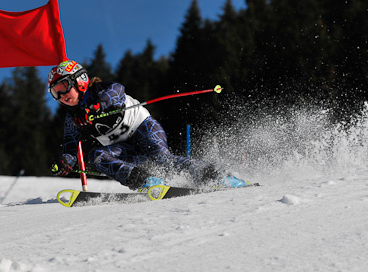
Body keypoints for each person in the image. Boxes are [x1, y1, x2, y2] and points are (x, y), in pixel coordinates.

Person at [48, 59, 245, 190]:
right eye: (55, 93)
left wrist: (96, 107)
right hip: (123, 148)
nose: (62, 96)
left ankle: (215, 175)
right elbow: (70, 145)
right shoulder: (71, 119)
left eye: (63, 87)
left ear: (80, 81)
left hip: (142, 127)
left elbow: (117, 92)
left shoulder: (102, 89)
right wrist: (66, 162)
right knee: (97, 156)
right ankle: (144, 181)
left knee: (162, 160)